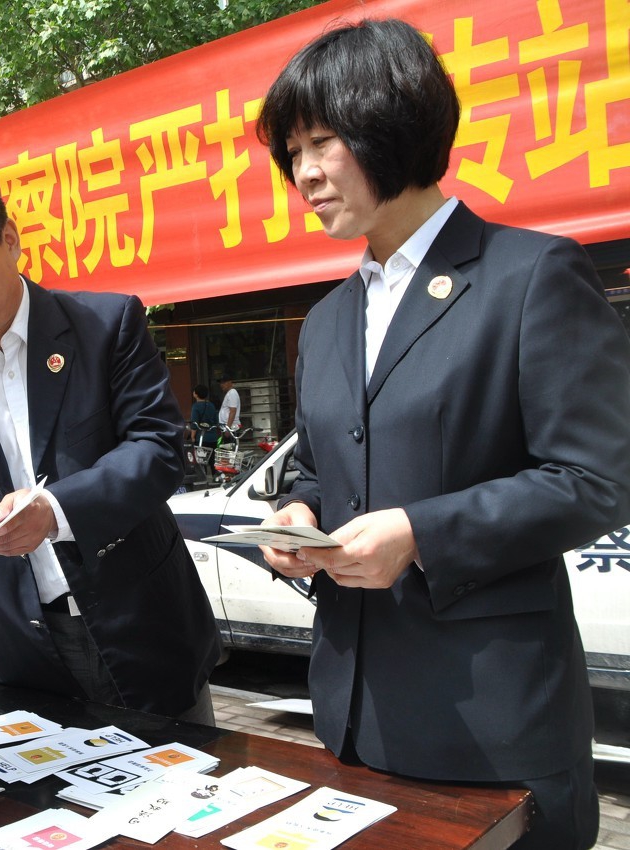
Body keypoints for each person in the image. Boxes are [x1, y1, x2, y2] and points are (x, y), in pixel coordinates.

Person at [255, 19, 630, 850]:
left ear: (392, 123)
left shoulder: (531, 276)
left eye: (323, 142)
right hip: (351, 715)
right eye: (291, 153)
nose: (304, 173)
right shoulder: (325, 319)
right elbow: (320, 469)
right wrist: (296, 520)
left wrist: (420, 534)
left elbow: (596, 480)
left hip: (490, 723)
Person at [0, 151, 221, 720]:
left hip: (142, 627)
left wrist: (55, 508)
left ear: (9, 239)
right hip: (17, 649)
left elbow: (156, 449)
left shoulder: (106, 326)